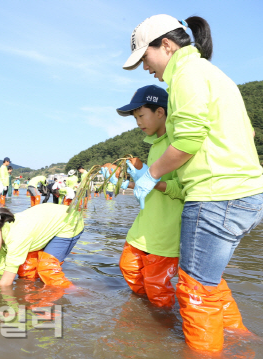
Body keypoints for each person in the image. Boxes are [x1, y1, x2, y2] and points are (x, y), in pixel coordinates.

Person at [124, 14, 263, 351]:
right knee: (207, 283)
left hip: (216, 195)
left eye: (146, 57)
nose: (145, 66)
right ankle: (242, 341)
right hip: (245, 193)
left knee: (195, 291)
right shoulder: (211, 73)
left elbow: (187, 141)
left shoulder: (187, 76)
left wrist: (150, 175)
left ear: (167, 45)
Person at [112, 85, 184, 308]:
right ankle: (143, 315)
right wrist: (128, 183)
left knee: (157, 285)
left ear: (160, 112)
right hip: (143, 227)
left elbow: (183, 189)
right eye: (135, 118)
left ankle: (161, 325)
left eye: (141, 115)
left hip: (165, 231)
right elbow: (149, 183)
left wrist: (154, 181)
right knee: (129, 268)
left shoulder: (178, 143)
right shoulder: (154, 145)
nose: (138, 123)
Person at [0, 204, 84, 288]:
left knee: (47, 268)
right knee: (28, 269)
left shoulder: (16, 236)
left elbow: (7, 281)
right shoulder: (2, 232)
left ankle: (77, 294)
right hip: (49, 219)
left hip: (69, 222)